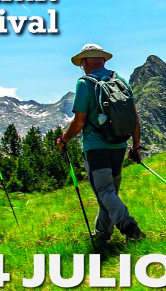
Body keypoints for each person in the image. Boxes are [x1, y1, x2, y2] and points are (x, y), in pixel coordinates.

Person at [57, 43, 145, 243]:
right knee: (109, 193)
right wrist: (136, 146)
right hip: (119, 145)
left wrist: (63, 140)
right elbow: (134, 116)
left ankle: (129, 226)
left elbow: (79, 121)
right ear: (103, 60)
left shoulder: (85, 83)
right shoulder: (120, 80)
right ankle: (102, 235)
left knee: (105, 192)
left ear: (85, 62)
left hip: (96, 147)